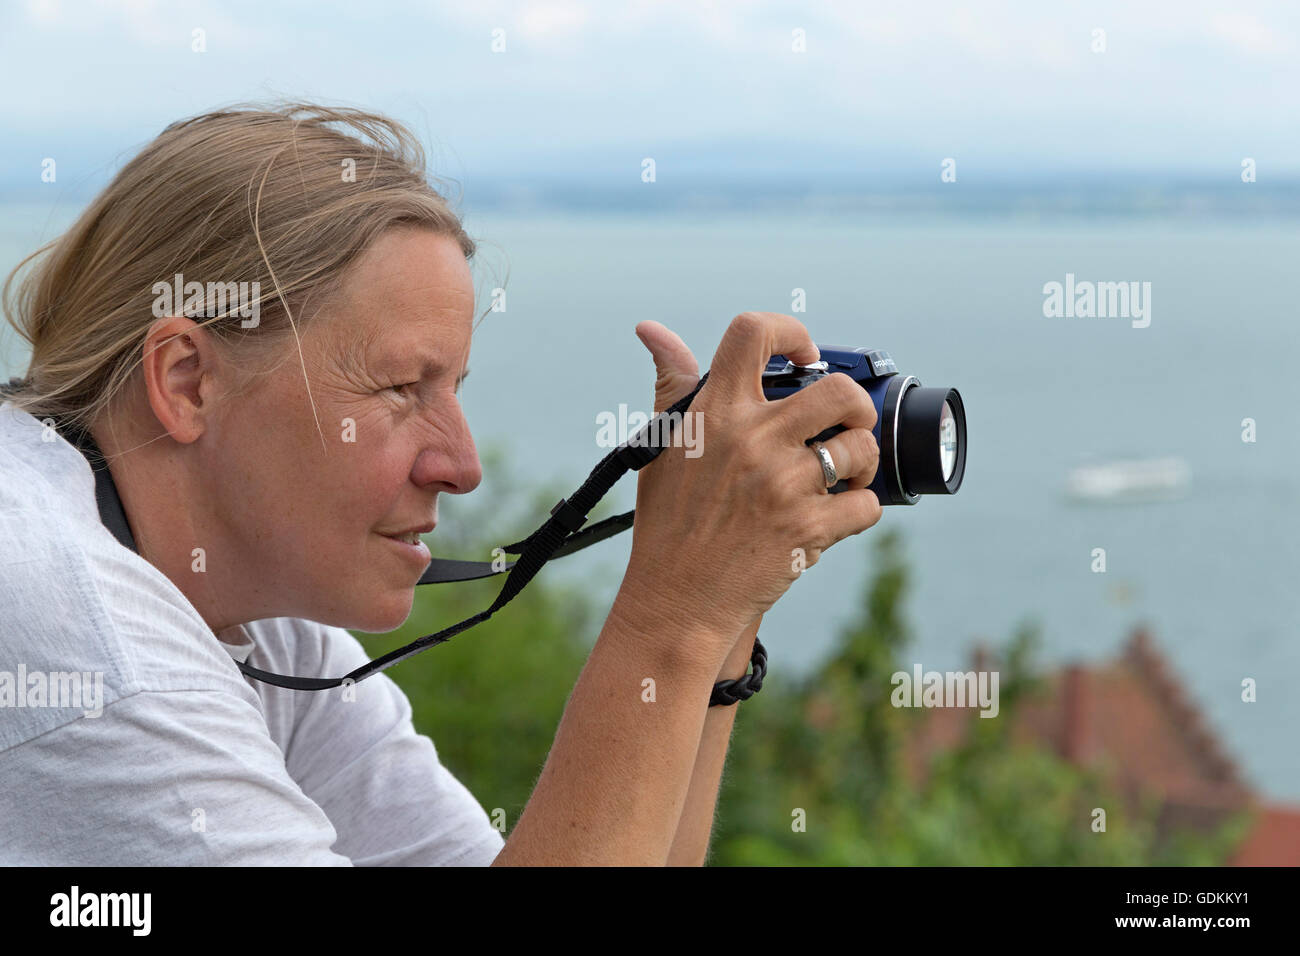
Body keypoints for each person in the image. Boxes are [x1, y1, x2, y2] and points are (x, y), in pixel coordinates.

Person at [0, 103, 881, 866]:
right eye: (397, 390)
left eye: (454, 390)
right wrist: (674, 611)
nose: (461, 465)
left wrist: (723, 607)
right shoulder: (92, 650)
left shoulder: (256, 618)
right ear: (189, 381)